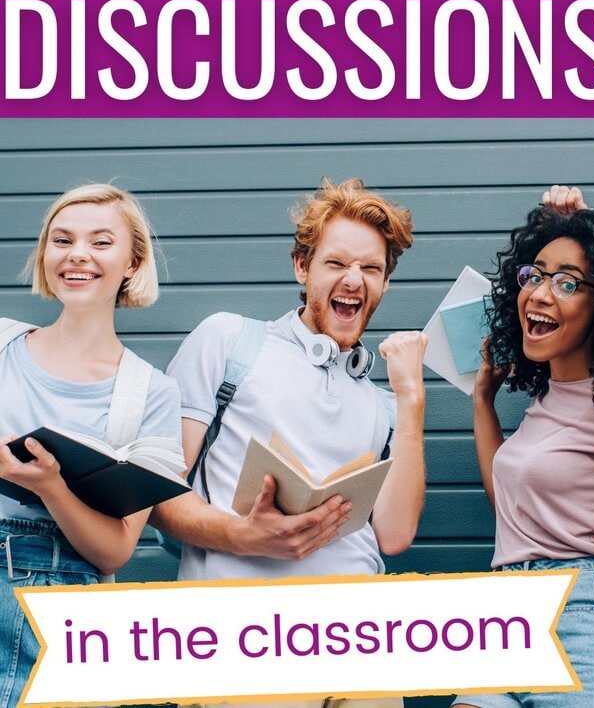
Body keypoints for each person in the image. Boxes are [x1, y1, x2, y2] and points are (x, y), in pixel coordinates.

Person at [152, 178, 427, 708]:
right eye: (336, 263)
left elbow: (393, 536)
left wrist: (411, 400)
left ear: (385, 283)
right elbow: (157, 495)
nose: (354, 280)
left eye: (371, 269)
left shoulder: (382, 402)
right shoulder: (230, 341)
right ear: (302, 267)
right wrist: (244, 536)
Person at [0, 184, 183, 708]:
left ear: (132, 263)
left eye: (100, 242)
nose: (77, 253)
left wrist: (52, 487)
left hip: (59, 613)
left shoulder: (150, 393)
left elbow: (117, 549)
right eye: (62, 240)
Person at [453, 185, 594, 708]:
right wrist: (483, 401)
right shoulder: (543, 403)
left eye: (568, 283)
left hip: (576, 612)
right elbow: (514, 516)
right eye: (536, 275)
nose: (540, 293)